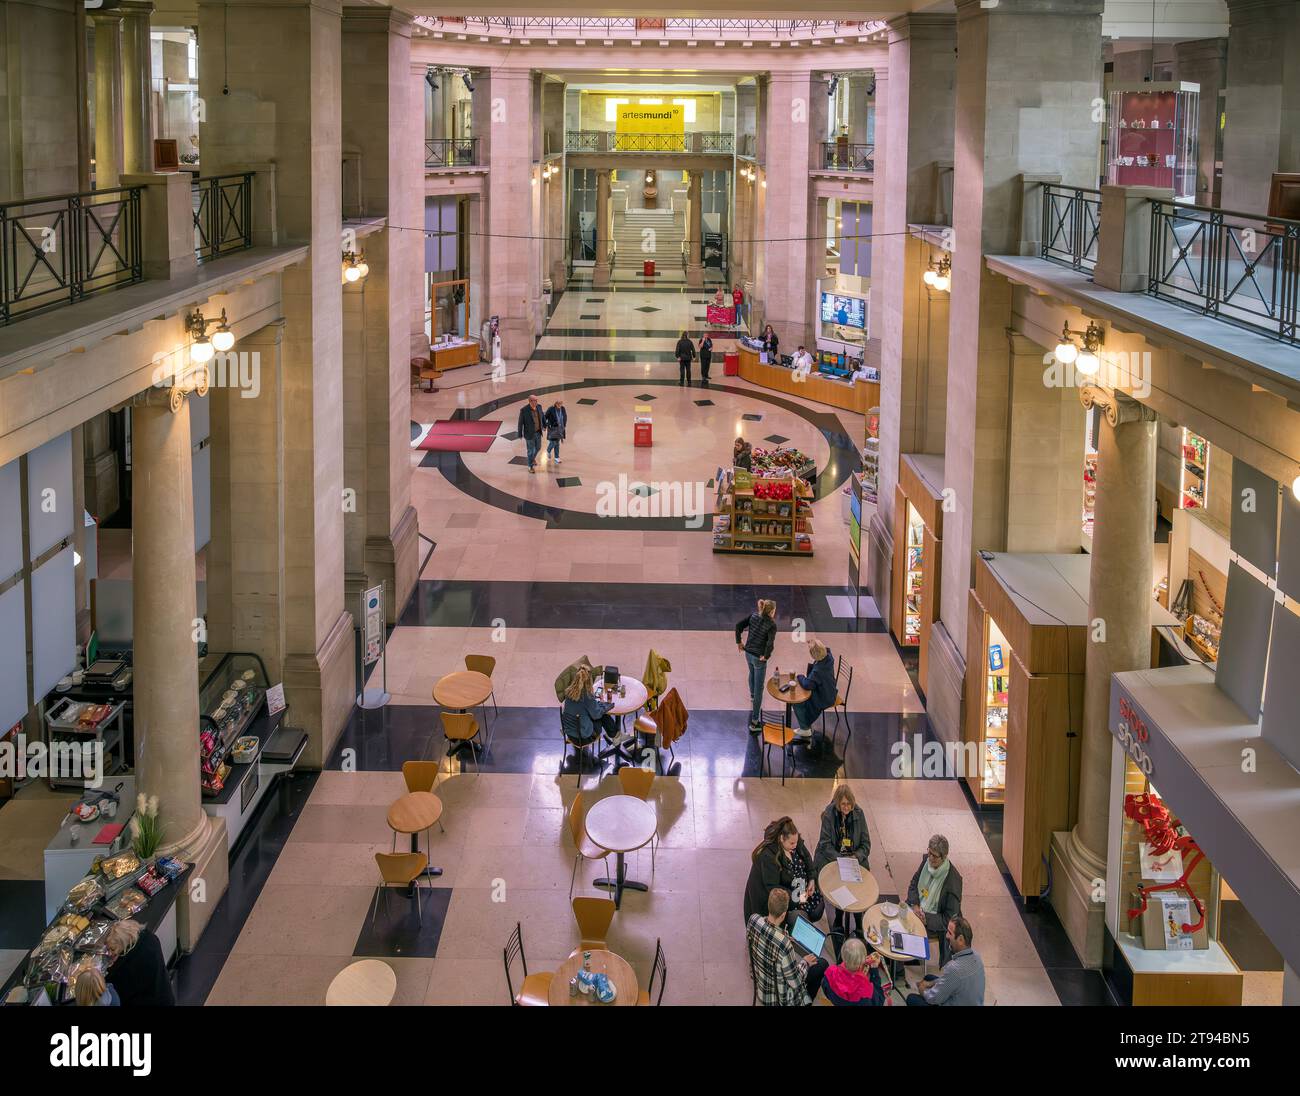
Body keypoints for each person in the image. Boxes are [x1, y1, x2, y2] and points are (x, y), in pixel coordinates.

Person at [747, 888, 827, 1006]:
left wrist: (782, 935)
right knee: (822, 964)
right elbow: (795, 981)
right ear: (784, 914)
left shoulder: (753, 919)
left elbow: (766, 932)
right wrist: (805, 962)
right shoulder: (785, 946)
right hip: (778, 999)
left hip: (761, 984)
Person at [813, 784, 872, 938]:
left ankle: (859, 921)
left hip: (854, 858)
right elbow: (825, 844)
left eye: (849, 804)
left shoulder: (859, 814)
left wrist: (856, 857)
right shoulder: (829, 814)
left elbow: (866, 844)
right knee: (839, 885)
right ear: (837, 803)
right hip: (833, 857)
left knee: (858, 886)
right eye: (843, 804)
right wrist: (841, 861)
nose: (846, 807)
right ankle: (838, 919)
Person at [743, 816, 823, 925]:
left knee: (818, 908)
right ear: (781, 838)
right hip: (785, 898)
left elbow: (807, 858)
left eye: (796, 842)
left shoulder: (794, 841)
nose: (795, 846)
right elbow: (773, 888)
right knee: (803, 919)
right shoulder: (769, 856)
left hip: (800, 891)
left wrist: (812, 879)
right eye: (791, 843)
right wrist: (796, 898)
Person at [906, 833, 964, 966]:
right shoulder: (926, 862)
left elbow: (949, 919)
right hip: (917, 909)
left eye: (934, 856)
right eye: (929, 852)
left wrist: (925, 918)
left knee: (906, 929)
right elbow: (914, 884)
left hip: (934, 922)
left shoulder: (952, 882)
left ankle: (899, 970)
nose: (930, 858)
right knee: (896, 923)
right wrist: (915, 905)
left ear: (944, 857)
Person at [905, 917, 985, 1006]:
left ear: (961, 940)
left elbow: (934, 999)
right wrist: (930, 983)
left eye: (950, 933)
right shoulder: (977, 957)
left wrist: (922, 989)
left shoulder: (954, 969)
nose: (946, 936)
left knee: (911, 998)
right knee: (929, 978)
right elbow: (952, 980)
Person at [103, 919, 175, 1006]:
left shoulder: (124, 970)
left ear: (124, 945)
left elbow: (116, 992)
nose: (110, 954)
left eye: (114, 950)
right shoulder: (151, 940)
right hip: (164, 996)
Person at [735, 598, 777, 732]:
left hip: (748, 653)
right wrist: (766, 655)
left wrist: (739, 642)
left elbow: (738, 626)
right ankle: (754, 722)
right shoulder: (771, 624)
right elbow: (770, 643)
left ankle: (752, 696)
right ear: (771, 611)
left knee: (751, 674)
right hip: (759, 658)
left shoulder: (753, 616)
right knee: (760, 688)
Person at [561, 666, 622, 747]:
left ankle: (615, 735)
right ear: (589, 681)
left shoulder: (568, 692)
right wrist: (606, 704)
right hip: (583, 738)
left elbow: (583, 707)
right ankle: (616, 736)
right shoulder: (587, 696)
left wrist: (598, 704)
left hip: (569, 734)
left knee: (597, 711)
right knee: (603, 715)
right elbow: (596, 714)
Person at [791, 638, 836, 741]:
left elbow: (807, 685)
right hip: (830, 691)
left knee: (798, 702)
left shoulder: (818, 670)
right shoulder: (828, 657)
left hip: (825, 697)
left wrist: (800, 676)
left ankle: (805, 728)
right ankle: (805, 725)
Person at [821, 937, 885, 1006]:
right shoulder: (865, 988)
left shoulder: (830, 971)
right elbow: (880, 1001)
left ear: (842, 955)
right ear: (862, 961)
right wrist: (874, 970)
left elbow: (825, 989)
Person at [516, 393, 545, 473]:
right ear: (530, 401)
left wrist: (544, 425)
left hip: (538, 432)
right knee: (530, 450)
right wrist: (520, 434)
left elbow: (542, 416)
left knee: (538, 447)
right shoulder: (524, 410)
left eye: (536, 400)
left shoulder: (539, 407)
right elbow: (520, 423)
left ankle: (532, 459)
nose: (536, 402)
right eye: (535, 400)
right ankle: (530, 466)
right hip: (529, 434)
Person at [544, 397, 567, 466]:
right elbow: (545, 417)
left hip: (560, 428)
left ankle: (557, 457)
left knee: (557, 443)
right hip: (553, 429)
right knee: (553, 442)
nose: (560, 405)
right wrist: (546, 425)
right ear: (556, 403)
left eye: (561, 403)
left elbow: (565, 416)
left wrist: (564, 424)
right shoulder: (551, 409)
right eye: (559, 403)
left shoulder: (563, 408)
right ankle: (548, 450)